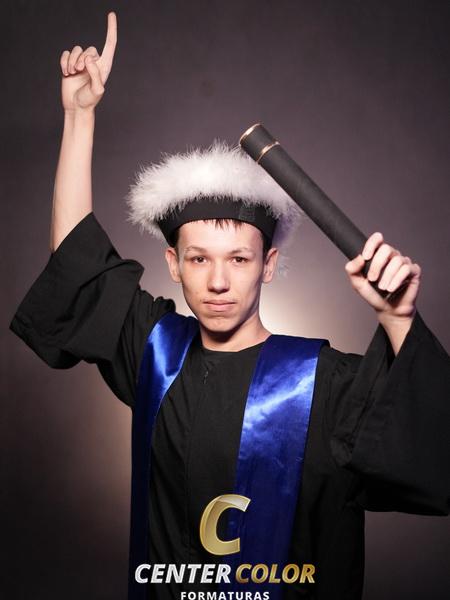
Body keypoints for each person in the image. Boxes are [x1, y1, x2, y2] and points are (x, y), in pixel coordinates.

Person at [9, 11, 450, 600]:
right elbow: (77, 264)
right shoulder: (155, 356)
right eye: (199, 259)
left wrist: (397, 319)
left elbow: (435, 453)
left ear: (268, 264)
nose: (218, 281)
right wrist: (78, 117)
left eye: (239, 259)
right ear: (173, 264)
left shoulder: (325, 385)